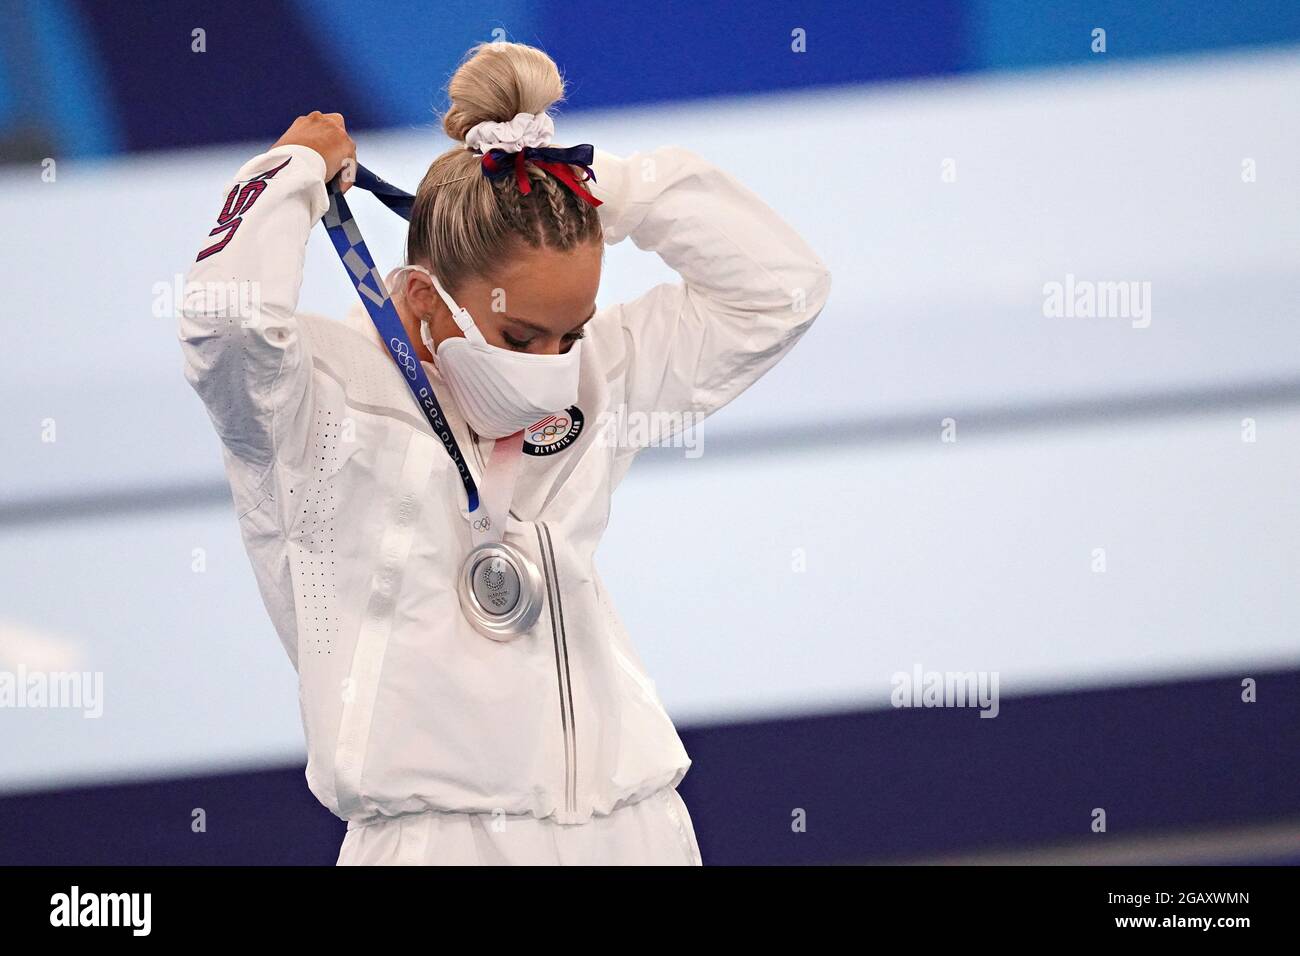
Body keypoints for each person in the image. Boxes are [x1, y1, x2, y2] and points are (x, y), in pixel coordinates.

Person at [177, 40, 831, 866]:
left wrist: (605, 189)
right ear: (421, 296)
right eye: (520, 336)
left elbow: (782, 290)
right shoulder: (311, 403)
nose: (554, 364)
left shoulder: (600, 379)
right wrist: (289, 174)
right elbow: (226, 322)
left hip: (633, 825)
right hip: (435, 839)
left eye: (573, 332)